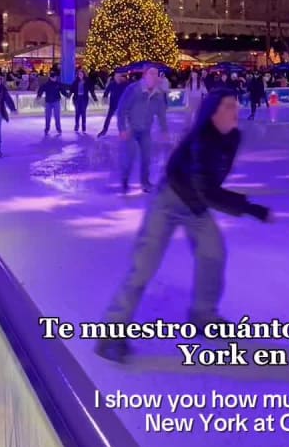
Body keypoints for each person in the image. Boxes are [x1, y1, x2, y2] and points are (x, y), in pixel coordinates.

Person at [97, 89, 273, 363]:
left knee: (213, 254)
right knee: (144, 266)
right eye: (228, 107)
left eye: (236, 106)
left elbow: (208, 188)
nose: (235, 111)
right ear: (213, 112)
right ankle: (111, 331)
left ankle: (204, 315)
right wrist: (252, 208)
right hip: (169, 201)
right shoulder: (200, 140)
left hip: (196, 204)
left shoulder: (233, 137)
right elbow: (208, 191)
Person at [117, 64, 168, 193]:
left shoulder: (158, 94)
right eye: (151, 73)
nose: (153, 77)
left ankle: (145, 182)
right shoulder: (133, 89)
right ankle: (125, 179)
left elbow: (161, 113)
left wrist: (164, 130)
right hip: (131, 129)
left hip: (145, 130)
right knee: (130, 156)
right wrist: (122, 128)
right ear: (144, 75)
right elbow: (121, 109)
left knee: (147, 157)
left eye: (156, 74)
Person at [38, 67, 67, 135]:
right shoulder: (46, 84)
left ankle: (58, 128)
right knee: (48, 116)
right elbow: (41, 89)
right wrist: (39, 95)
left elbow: (62, 91)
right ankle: (47, 128)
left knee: (57, 116)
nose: (55, 78)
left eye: (55, 77)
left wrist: (67, 95)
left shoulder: (58, 84)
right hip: (48, 102)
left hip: (56, 102)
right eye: (53, 77)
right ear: (50, 78)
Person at [98, 71, 128, 137]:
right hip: (113, 104)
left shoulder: (125, 84)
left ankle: (123, 131)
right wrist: (104, 97)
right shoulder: (112, 84)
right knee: (108, 117)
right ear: (114, 77)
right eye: (116, 76)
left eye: (119, 76)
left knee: (122, 118)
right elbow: (106, 92)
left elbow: (130, 91)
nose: (117, 77)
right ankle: (104, 130)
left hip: (122, 104)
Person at [71, 65, 98, 133]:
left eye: (81, 74)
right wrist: (68, 95)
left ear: (83, 74)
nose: (80, 75)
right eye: (79, 74)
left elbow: (91, 90)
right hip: (77, 99)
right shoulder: (75, 81)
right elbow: (72, 89)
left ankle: (83, 125)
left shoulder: (87, 81)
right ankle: (77, 125)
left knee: (83, 112)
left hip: (84, 99)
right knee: (77, 112)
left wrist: (94, 98)